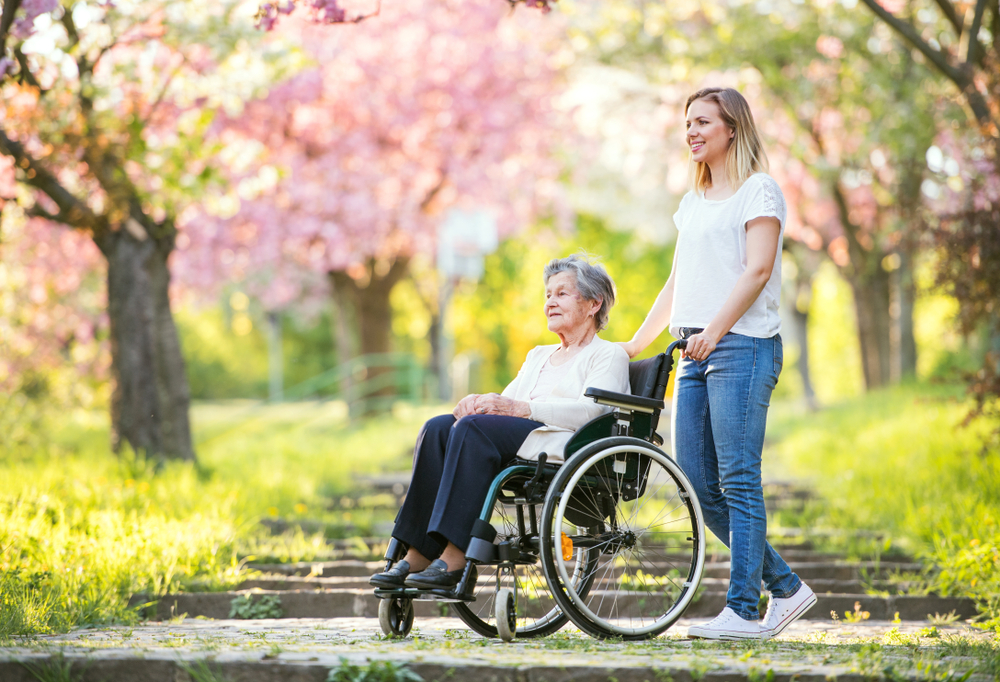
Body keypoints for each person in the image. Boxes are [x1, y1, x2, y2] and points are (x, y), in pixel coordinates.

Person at [619, 87, 816, 640]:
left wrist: (714, 331)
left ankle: (744, 610)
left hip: (743, 347)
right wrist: (634, 344)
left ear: (733, 128)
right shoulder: (693, 203)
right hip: (694, 351)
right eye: (687, 124)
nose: (692, 132)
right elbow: (679, 283)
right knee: (700, 487)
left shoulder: (760, 191)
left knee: (737, 479)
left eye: (703, 121)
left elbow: (756, 272)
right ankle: (787, 588)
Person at [371, 254, 630, 590]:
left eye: (562, 294)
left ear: (593, 304)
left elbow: (592, 412)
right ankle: (417, 551)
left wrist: (522, 409)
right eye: (547, 294)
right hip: (523, 438)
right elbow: (506, 403)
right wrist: (477, 403)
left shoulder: (608, 354)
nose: (550, 302)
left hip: (563, 443)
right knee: (439, 427)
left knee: (473, 430)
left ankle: (454, 557)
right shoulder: (538, 355)